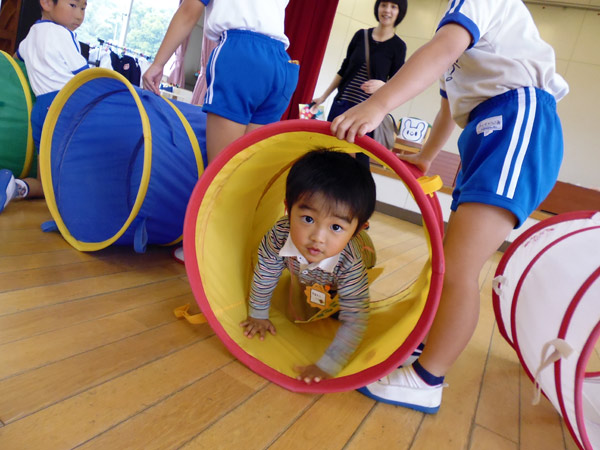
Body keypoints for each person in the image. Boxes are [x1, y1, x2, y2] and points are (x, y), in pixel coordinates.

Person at [331, 0, 568, 413]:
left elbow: (441, 49)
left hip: (517, 119)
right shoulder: (460, 34)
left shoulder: (476, 6)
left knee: (459, 268)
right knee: (446, 260)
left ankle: (428, 379)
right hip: (485, 128)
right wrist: (424, 157)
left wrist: (379, 103)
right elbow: (447, 106)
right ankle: (426, 344)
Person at [239, 149, 377, 384]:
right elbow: (265, 273)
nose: (318, 238)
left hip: (365, 252)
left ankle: (339, 270)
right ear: (288, 208)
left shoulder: (351, 262)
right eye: (308, 219)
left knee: (339, 299)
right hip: (313, 270)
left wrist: (329, 364)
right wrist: (258, 314)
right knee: (310, 286)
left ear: (357, 228)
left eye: (336, 227)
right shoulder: (280, 234)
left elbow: (356, 317)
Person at [143, 0, 299, 164]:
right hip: (282, 65)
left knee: (220, 173)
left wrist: (158, 64)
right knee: (246, 172)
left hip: (242, 55)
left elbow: (188, 12)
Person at [1, 0, 88, 214]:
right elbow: (85, 76)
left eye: (84, 8)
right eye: (73, 5)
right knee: (69, 173)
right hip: (66, 107)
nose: (79, 15)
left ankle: (16, 187)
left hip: (40, 111)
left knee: (44, 178)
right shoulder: (63, 35)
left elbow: (14, 62)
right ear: (47, 3)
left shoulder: (30, 36)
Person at [311, 0, 407, 166]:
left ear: (400, 12)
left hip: (367, 113)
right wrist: (324, 97)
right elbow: (344, 69)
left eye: (393, 6)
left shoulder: (398, 46)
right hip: (341, 106)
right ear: (378, 7)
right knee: (328, 158)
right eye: (384, 5)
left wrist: (383, 86)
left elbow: (400, 83)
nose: (387, 10)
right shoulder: (360, 36)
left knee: (357, 165)